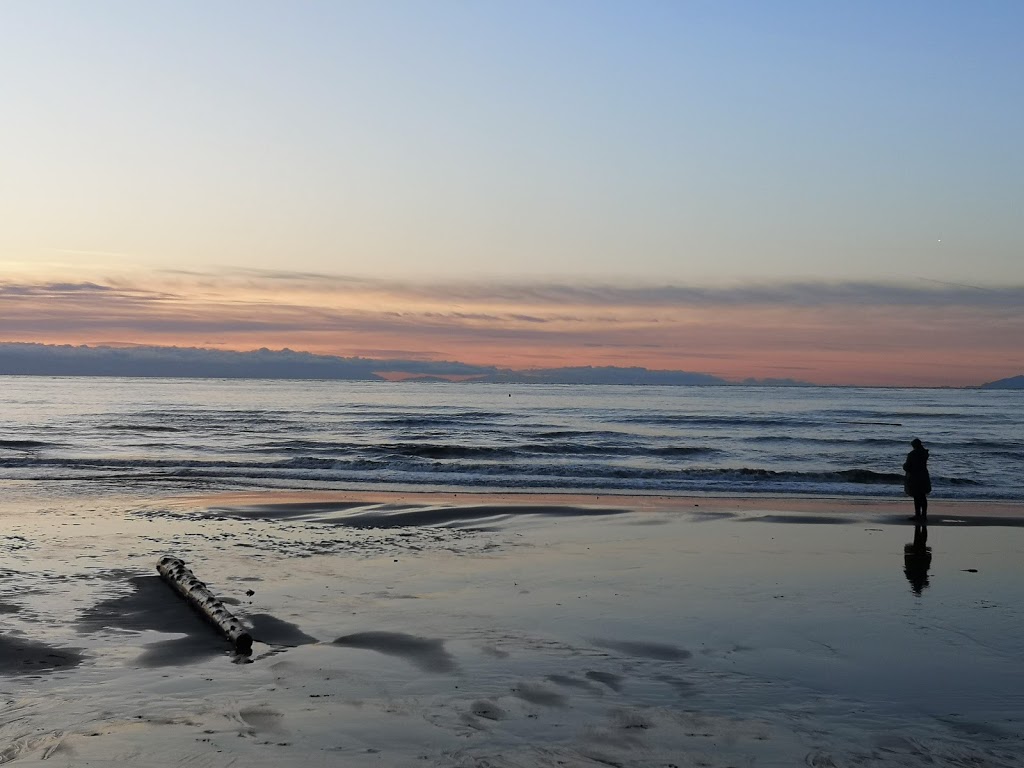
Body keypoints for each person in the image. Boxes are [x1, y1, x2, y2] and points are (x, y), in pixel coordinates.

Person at [902, 438, 932, 520]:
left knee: (916, 496)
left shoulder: (912, 454)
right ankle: (924, 515)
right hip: (924, 476)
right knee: (923, 496)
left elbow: (907, 466)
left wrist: (904, 466)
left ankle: (918, 514)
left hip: (915, 477)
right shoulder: (924, 453)